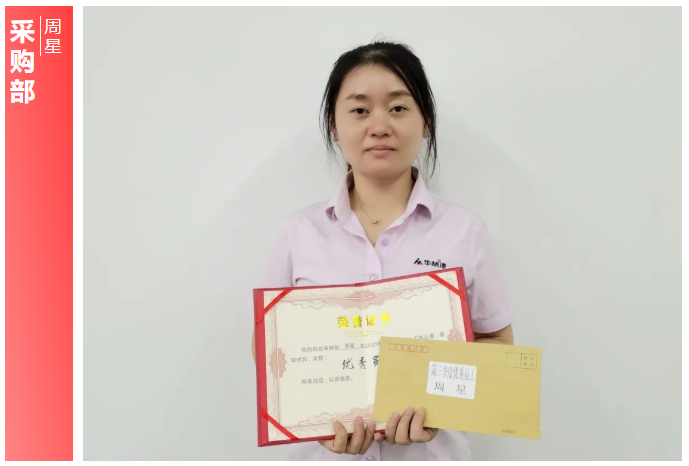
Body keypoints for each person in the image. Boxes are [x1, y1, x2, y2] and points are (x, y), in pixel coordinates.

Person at [251, 40, 514, 461]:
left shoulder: (464, 231)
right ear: (334, 125)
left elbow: (497, 342)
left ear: (425, 122)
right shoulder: (299, 231)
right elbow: (268, 342)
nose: (379, 125)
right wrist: (310, 417)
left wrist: (442, 402)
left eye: (397, 108)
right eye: (359, 110)